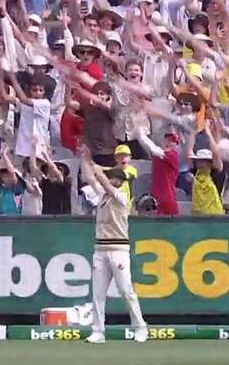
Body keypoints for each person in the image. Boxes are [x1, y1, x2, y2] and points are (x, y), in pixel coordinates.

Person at [79, 145, 147, 344]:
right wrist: (85, 157)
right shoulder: (102, 197)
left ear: (119, 180)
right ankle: (98, 331)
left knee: (126, 290)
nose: (110, 180)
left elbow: (101, 180)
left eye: (113, 178)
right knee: (98, 295)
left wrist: (95, 165)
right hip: (100, 249)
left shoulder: (121, 197)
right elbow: (90, 178)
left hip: (118, 250)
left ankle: (140, 327)